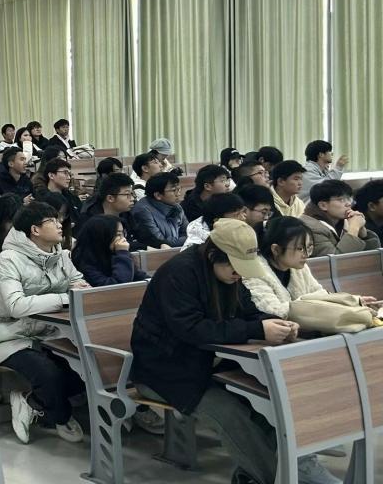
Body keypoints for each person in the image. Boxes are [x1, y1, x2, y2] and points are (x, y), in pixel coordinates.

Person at [130, 220, 289, 484]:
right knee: (231, 413)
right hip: (165, 371)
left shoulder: (226, 274)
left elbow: (248, 311)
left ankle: (256, 475)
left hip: (208, 365)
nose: (239, 275)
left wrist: (274, 324)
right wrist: (258, 329)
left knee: (269, 405)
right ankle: (276, 479)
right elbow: (192, 329)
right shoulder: (178, 274)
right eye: (235, 268)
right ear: (214, 255)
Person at [241, 217, 353, 484]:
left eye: (309, 248)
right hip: (265, 349)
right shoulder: (255, 270)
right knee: (307, 385)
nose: (306, 254)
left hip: (298, 342)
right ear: (276, 249)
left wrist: (352, 303)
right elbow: (275, 311)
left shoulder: (299, 267)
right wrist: (313, 308)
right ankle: (303, 460)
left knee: (338, 369)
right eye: (300, 248)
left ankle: (315, 437)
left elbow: (320, 295)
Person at [0, 202, 87, 444]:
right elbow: (16, 306)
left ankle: (31, 402)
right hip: (10, 336)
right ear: (35, 230)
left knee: (84, 372)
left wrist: (76, 290)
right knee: (50, 375)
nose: (60, 225)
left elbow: (79, 285)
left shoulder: (61, 256)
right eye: (52, 221)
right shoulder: (8, 260)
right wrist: (64, 298)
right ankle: (59, 415)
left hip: (50, 334)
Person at [301, 180, 381, 257]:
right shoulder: (310, 228)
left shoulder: (343, 221)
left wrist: (363, 234)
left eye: (349, 198)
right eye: (341, 200)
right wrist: (354, 228)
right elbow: (336, 260)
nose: (348, 204)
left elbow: (374, 257)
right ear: (323, 205)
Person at [71, 214, 148, 286]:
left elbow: (141, 276)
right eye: (118, 234)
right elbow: (120, 286)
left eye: (123, 234)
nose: (123, 239)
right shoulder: (85, 264)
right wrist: (122, 253)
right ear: (101, 237)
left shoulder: (113, 253)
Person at [130, 172, 187, 248]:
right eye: (174, 190)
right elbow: (159, 242)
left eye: (178, 189)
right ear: (158, 195)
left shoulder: (177, 207)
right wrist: (185, 240)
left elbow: (189, 233)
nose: (178, 194)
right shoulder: (142, 211)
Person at [32, 159, 82, 233]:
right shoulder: (42, 200)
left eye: (69, 174)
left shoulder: (72, 198)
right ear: (51, 175)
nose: (69, 177)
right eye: (65, 173)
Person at [182, 192, 246, 249]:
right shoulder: (199, 246)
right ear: (217, 221)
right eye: (236, 215)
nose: (243, 218)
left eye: (243, 212)